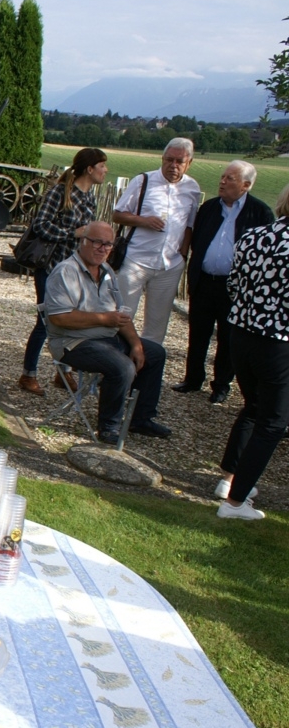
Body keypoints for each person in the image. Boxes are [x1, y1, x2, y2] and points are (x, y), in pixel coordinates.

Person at [45, 221, 171, 444]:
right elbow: (60, 318)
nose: (103, 249)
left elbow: (120, 316)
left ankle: (140, 419)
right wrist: (104, 319)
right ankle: (109, 427)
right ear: (83, 241)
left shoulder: (107, 272)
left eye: (108, 244)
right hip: (72, 342)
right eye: (97, 243)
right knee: (122, 366)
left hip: (107, 338)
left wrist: (136, 344)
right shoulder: (65, 271)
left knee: (154, 353)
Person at [214, 183, 289, 520]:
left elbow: (233, 285)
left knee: (254, 409)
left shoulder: (253, 236)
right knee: (273, 423)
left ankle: (230, 480)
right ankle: (235, 502)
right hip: (278, 341)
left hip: (241, 335)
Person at [173, 161, 274, 404]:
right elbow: (197, 239)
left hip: (235, 288)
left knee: (228, 338)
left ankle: (221, 385)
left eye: (230, 178)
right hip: (204, 282)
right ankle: (192, 379)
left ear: (246, 185)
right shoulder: (209, 208)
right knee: (198, 333)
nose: (222, 181)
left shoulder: (259, 212)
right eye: (222, 176)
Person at [18, 147, 109, 396]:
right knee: (45, 323)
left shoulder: (90, 198)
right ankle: (28, 374)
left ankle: (63, 371)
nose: (105, 170)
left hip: (75, 272)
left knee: (72, 322)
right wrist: (73, 233)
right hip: (51, 268)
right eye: (102, 166)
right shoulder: (60, 193)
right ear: (89, 169)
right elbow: (41, 225)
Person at [112, 137, 200, 344]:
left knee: (158, 323)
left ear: (189, 163)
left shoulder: (192, 188)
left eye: (179, 161)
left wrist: (183, 255)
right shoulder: (143, 181)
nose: (173, 165)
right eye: (169, 160)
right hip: (136, 259)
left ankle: (149, 361)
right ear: (162, 158)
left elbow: (189, 225)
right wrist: (144, 221)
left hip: (169, 265)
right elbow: (117, 214)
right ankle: (116, 357)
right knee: (122, 315)